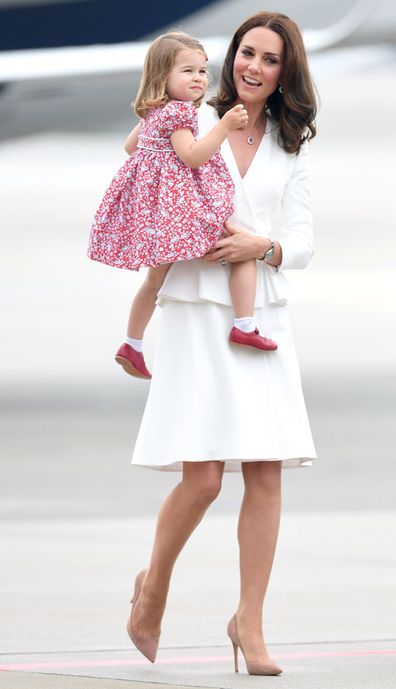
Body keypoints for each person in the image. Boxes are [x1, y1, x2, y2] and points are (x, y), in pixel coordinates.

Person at [127, 11, 317, 676]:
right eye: (245, 53)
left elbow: (304, 236)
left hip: (257, 309)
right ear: (230, 58)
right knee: (204, 478)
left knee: (265, 471)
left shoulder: (291, 145)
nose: (253, 66)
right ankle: (152, 586)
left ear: (284, 73)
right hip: (193, 305)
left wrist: (263, 246)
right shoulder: (189, 114)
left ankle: (250, 623)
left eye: (269, 59)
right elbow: (140, 170)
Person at [88, 32, 277, 382]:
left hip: (160, 210)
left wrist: (157, 176)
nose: (199, 79)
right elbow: (192, 155)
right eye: (188, 71)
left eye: (202, 71)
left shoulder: (154, 111)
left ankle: (133, 342)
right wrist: (222, 127)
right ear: (163, 77)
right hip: (180, 210)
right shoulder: (178, 113)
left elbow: (132, 147)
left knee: (154, 279)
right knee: (241, 246)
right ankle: (245, 324)